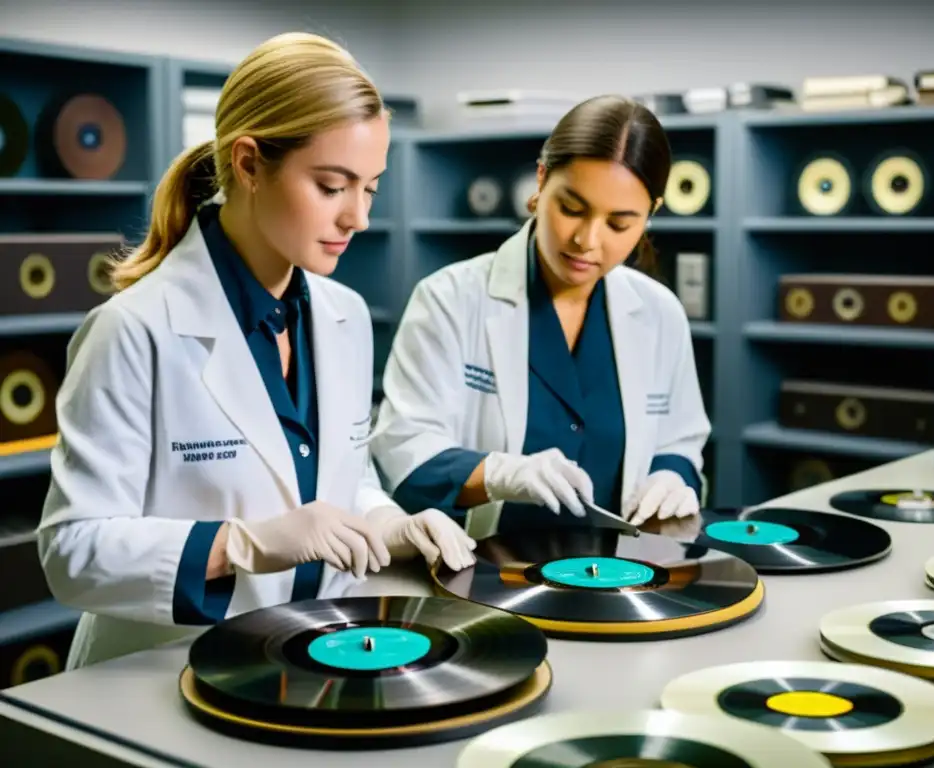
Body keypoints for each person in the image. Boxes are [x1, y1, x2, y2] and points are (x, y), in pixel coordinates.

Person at [35, 32, 475, 670]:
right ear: (247, 164)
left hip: (314, 655)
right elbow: (72, 553)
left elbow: (342, 484)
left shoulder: (344, 316)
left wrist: (389, 524)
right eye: (332, 186)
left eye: (371, 189)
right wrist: (241, 546)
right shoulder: (134, 329)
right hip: (163, 672)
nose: (359, 218)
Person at [371, 95, 712, 540]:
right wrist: (496, 473)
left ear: (651, 214)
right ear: (541, 179)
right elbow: (404, 451)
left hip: (619, 579)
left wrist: (672, 477)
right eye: (572, 208)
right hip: (485, 576)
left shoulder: (660, 313)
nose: (588, 240)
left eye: (619, 224)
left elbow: (680, 441)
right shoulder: (450, 299)